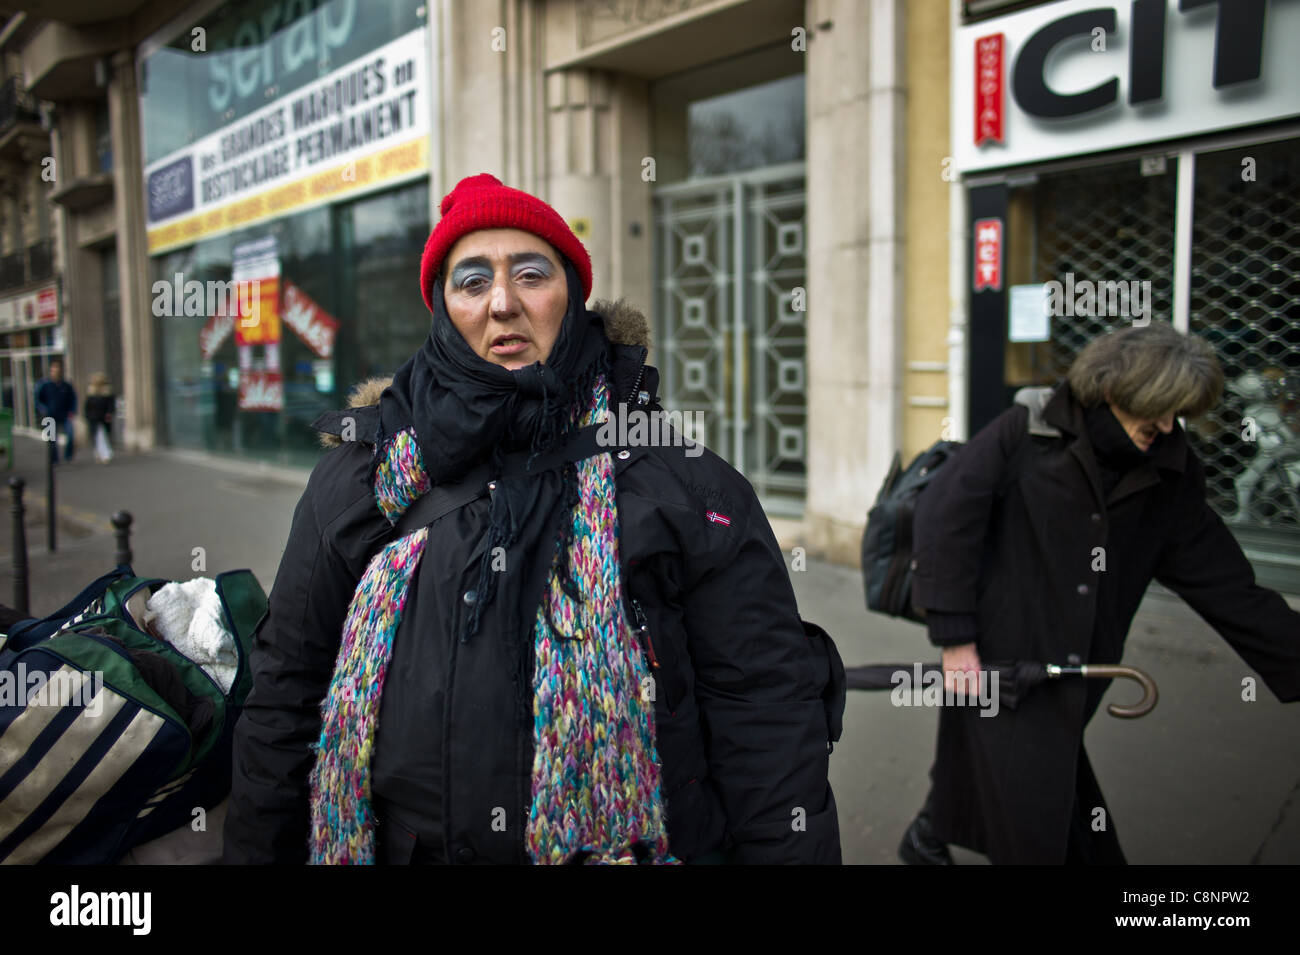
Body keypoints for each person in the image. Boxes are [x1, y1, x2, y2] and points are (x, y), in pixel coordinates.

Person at [224, 173, 842, 865]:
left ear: (571, 295)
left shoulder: (681, 482)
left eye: (530, 273)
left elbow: (767, 722)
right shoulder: (362, 476)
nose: (502, 303)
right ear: (441, 307)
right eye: (471, 281)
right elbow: (284, 696)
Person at [901, 322, 1300, 865]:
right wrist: (954, 639)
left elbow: (1227, 587)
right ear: (1112, 389)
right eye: (1156, 407)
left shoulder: (1172, 475)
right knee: (1043, 811)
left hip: (1080, 670)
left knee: (1021, 776)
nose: (1164, 424)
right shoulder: (1028, 431)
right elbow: (946, 516)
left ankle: (928, 833)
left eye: (1177, 413)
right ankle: (933, 834)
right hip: (1000, 657)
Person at [34, 359, 76, 463]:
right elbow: (38, 399)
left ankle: (68, 456)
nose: (56, 373)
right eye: (54, 370)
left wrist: (72, 411)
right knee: (52, 439)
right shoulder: (45, 385)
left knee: (70, 435)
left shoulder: (66, 385)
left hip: (65, 414)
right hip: (50, 415)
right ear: (51, 372)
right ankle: (54, 459)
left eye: (58, 371)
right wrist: (43, 409)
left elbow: (73, 398)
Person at [84, 372, 115, 464]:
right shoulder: (91, 392)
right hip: (94, 418)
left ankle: (104, 454)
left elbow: (111, 405)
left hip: (103, 418)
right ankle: (102, 454)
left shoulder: (107, 392)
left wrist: (109, 413)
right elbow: (87, 406)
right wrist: (87, 416)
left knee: (103, 436)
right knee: (98, 436)